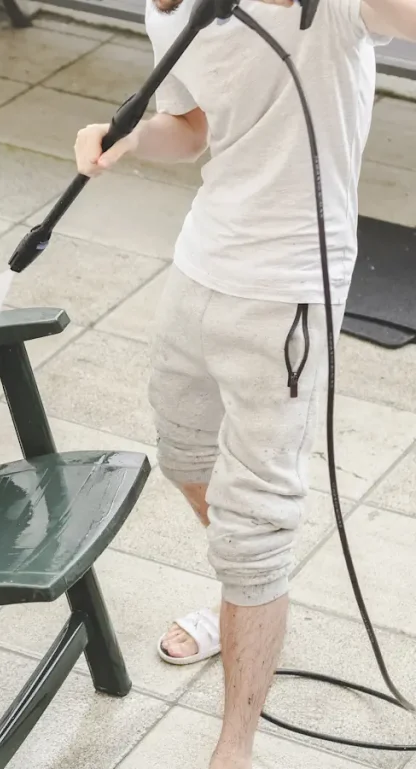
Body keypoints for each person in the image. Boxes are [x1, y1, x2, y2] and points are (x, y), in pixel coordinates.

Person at [73, 0, 414, 767]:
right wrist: (126, 139)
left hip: (287, 290)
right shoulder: (169, 9)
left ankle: (236, 746)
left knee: (255, 522)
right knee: (185, 457)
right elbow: (193, 127)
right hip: (200, 264)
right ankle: (247, 589)